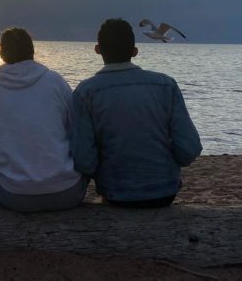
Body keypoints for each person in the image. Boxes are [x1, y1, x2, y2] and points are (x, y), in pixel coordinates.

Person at [71, 18, 201, 208]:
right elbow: (189, 150)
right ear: (135, 52)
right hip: (164, 191)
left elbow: (85, 161)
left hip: (116, 193)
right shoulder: (166, 85)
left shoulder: (85, 92)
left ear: (97, 50)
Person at [0, 27, 86, 212]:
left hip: (14, 196)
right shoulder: (56, 81)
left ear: (2, 54)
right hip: (67, 193)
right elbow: (75, 131)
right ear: (32, 51)